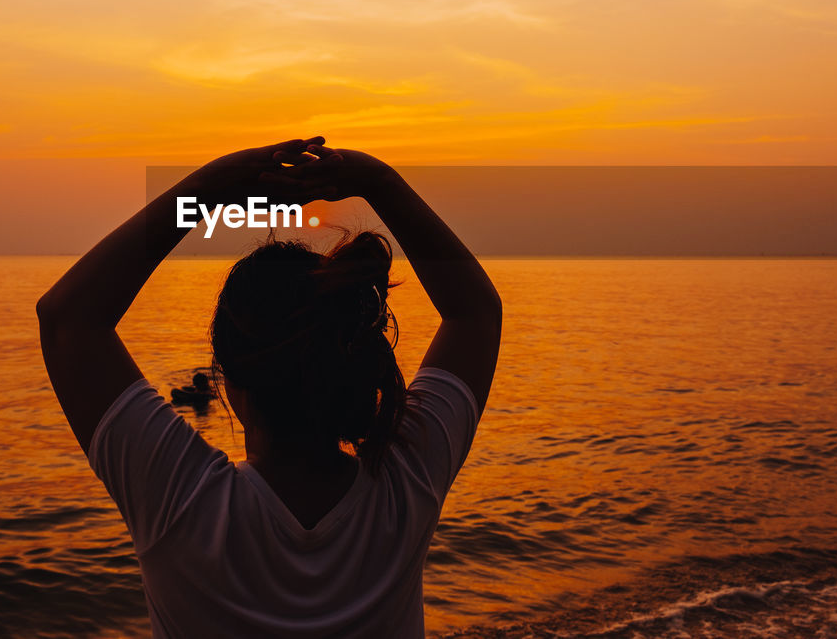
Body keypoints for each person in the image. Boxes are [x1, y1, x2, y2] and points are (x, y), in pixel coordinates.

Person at [37, 137, 502, 637]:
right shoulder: (405, 486)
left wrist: (211, 185)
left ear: (228, 383)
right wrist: (378, 183)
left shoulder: (182, 500)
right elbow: (474, 314)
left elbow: (68, 321)